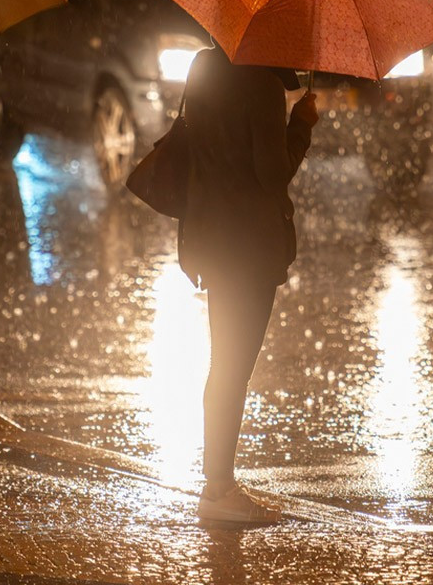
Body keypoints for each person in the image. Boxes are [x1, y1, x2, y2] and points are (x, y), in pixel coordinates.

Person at [178, 44, 318, 524]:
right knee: (234, 368)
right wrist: (301, 126)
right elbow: (272, 173)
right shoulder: (261, 85)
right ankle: (218, 490)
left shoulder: (205, 67)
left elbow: (199, 150)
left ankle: (217, 482)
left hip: (211, 235)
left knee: (223, 365)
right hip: (248, 243)